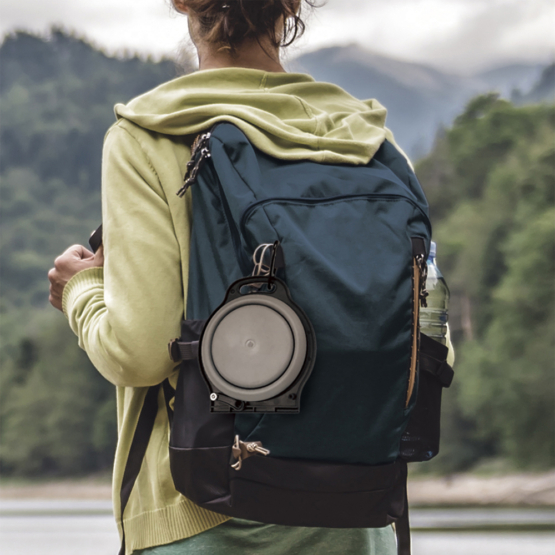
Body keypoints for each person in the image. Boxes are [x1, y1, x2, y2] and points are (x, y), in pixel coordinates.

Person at [48, 1, 408, 553]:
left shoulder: (149, 135)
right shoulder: (366, 143)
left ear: (183, 5)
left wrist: (82, 291)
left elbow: (141, 352)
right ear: (290, 7)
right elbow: (428, 347)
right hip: (358, 515)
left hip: (200, 513)